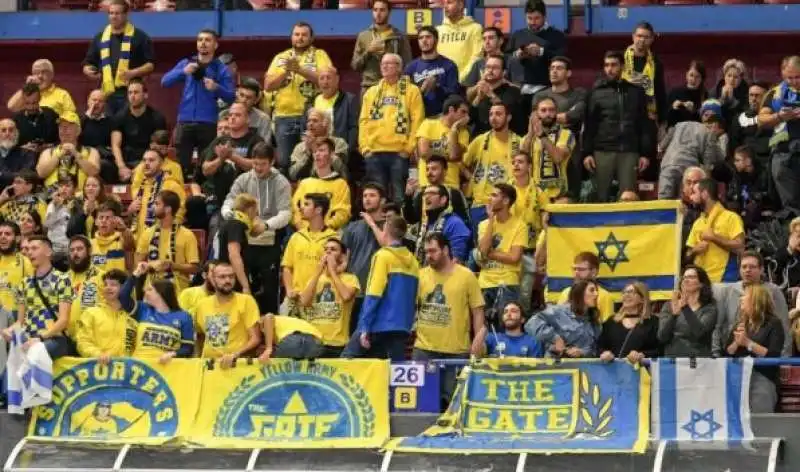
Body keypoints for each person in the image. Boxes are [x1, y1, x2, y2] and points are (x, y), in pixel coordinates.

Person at [222, 143, 292, 315]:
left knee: (269, 289)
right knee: (244, 286)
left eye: (263, 164)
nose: (258, 168)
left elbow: (286, 213)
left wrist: (266, 225)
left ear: (272, 162)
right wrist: (229, 214)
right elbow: (229, 201)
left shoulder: (281, 182)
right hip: (246, 242)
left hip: (270, 239)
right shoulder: (243, 179)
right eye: (255, 163)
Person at [415, 233, 484, 400]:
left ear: (445, 250)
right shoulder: (420, 275)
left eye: (433, 251)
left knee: (454, 403)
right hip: (424, 350)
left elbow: (478, 310)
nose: (429, 256)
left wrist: (478, 341)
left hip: (456, 352)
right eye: (426, 252)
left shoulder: (466, 276)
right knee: (423, 404)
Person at [342, 215, 419, 360]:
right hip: (402, 327)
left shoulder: (382, 256)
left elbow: (373, 294)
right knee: (391, 375)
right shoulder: (414, 262)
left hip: (378, 325)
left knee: (347, 360)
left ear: (385, 231)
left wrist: (364, 327)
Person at [161, 29, 235, 177]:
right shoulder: (186, 63)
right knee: (181, 167)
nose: (203, 43)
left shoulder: (221, 69)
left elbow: (231, 96)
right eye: (200, 40)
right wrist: (183, 72)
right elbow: (165, 82)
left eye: (207, 40)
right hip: (185, 121)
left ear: (215, 45)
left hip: (207, 123)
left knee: (204, 168)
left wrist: (216, 88)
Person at [582, 50, 652, 202]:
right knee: (600, 198)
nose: (610, 69)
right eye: (606, 65)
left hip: (629, 151)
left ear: (622, 66)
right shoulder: (595, 93)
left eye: (614, 65)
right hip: (602, 151)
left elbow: (644, 125)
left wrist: (645, 154)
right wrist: (587, 153)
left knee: (628, 198)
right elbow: (589, 125)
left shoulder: (637, 92)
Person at [265, 22, 332, 172]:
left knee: (312, 157)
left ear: (311, 38)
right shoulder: (280, 57)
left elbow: (326, 81)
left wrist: (300, 70)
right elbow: (268, 85)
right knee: (284, 161)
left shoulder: (319, 55)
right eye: (296, 34)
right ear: (291, 37)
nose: (300, 38)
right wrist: (285, 72)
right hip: (284, 116)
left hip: (312, 117)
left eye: (304, 35)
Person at [359, 53, 424, 204]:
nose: (384, 66)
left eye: (390, 63)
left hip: (399, 153)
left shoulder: (411, 90)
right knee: (377, 198)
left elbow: (417, 121)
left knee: (399, 197)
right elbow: (363, 121)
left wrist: (408, 148)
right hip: (374, 152)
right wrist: (365, 148)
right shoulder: (372, 92)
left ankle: (400, 225)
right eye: (383, 63)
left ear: (399, 67)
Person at [1, 235, 73, 360]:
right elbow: (20, 322)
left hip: (54, 339)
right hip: (30, 338)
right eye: (28, 249)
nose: (29, 253)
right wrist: (9, 330)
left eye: (34, 248)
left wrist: (40, 338)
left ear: (48, 252)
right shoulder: (24, 283)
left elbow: (63, 320)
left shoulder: (62, 279)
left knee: (35, 353)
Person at [712, 251, 791, 357]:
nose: (747, 270)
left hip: (764, 360)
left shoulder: (773, 291)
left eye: (752, 267)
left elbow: (784, 327)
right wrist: (716, 353)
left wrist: (784, 360)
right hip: (734, 357)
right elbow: (717, 326)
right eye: (744, 267)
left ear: (761, 269)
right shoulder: (727, 291)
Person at [82, 0, 154, 115]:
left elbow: (151, 65)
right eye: (111, 13)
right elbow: (88, 63)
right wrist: (88, 70)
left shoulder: (140, 37)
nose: (113, 17)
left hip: (130, 93)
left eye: (117, 13)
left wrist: (133, 73)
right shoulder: (99, 37)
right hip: (106, 93)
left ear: (126, 15)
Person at [724, 284, 785, 413]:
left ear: (755, 300)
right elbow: (727, 352)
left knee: (760, 417)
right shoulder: (740, 323)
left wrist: (748, 343)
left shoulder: (773, 323)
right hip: (739, 376)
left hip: (763, 376)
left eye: (745, 296)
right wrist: (736, 343)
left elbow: (774, 355)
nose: (741, 299)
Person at [298, 238, 360, 358]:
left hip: (337, 344)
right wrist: (318, 272)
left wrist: (332, 271)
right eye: (326, 249)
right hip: (315, 342)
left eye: (333, 249)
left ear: (342, 256)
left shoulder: (350, 278)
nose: (328, 252)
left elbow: (346, 296)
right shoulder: (314, 279)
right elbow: (304, 301)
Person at [476, 183, 528, 321]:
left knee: (504, 324)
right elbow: (482, 251)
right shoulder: (483, 225)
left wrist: (490, 254)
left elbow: (514, 257)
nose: (489, 199)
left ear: (505, 201)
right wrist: (491, 221)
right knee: (485, 329)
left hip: (508, 283)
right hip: (484, 283)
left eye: (494, 195)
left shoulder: (520, 225)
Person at [195, 262, 262, 367]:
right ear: (213, 279)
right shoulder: (201, 305)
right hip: (209, 366)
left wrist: (235, 355)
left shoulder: (246, 301)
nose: (227, 280)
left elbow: (255, 338)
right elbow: (200, 336)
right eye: (222, 277)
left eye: (231, 276)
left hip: (236, 365)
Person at [281, 194, 339, 314]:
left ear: (318, 210)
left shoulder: (333, 238)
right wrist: (289, 290)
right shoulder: (296, 237)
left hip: (320, 301)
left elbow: (336, 269)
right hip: (295, 299)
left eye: (307, 204)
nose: (301, 208)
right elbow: (287, 267)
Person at [134, 190, 199, 294]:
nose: (153, 207)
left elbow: (194, 268)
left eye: (157, 204)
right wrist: (149, 266)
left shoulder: (187, 235)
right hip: (152, 289)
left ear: (168, 209)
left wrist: (172, 266)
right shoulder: (147, 233)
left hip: (178, 291)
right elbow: (138, 263)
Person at [127, 262, 194, 363]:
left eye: (150, 290)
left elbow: (188, 348)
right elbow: (123, 297)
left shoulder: (184, 317)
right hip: (140, 365)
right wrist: (137, 273)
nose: (145, 291)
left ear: (161, 294)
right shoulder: (143, 309)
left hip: (166, 368)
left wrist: (173, 354)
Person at [685, 178, 745, 283]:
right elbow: (687, 254)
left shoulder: (731, 217)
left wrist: (714, 238)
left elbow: (740, 247)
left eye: (694, 193)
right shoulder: (698, 222)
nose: (691, 197)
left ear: (705, 194)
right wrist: (694, 250)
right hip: (701, 281)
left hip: (725, 278)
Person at [526, 280, 602, 358]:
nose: (596, 294)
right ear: (579, 293)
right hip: (557, 366)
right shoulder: (558, 311)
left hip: (583, 367)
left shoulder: (594, 320)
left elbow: (595, 349)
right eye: (592, 290)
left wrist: (582, 352)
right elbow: (531, 324)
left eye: (596, 291)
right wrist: (555, 338)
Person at [351, 0, 413, 94]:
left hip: (393, 87)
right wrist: (369, 51)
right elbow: (355, 66)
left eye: (382, 10)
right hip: (369, 87)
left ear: (389, 12)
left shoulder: (399, 36)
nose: (378, 14)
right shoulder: (363, 36)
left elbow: (407, 65)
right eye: (375, 10)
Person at [75, 269, 138, 361]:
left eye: (113, 285)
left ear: (125, 289)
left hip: (126, 372)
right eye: (105, 284)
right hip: (97, 369)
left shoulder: (133, 318)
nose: (108, 288)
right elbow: (82, 342)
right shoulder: (91, 313)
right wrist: (98, 354)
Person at [658, 265, 717, 357]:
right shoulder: (669, 306)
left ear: (701, 284)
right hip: (673, 363)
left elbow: (700, 334)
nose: (686, 280)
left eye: (691, 277)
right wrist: (673, 315)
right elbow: (662, 337)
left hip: (698, 362)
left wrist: (685, 307)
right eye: (684, 277)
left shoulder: (709, 308)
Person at [214, 193, 266, 293]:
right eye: (256, 211)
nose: (256, 214)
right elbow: (234, 255)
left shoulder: (233, 223)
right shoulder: (236, 225)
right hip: (231, 279)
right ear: (250, 209)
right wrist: (245, 285)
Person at [404, 26, 460, 118]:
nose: (424, 40)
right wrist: (421, 90)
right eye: (421, 38)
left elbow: (454, 94)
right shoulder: (410, 67)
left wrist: (437, 87)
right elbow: (405, 96)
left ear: (436, 40)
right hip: (418, 116)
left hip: (442, 116)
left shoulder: (449, 65)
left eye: (428, 37)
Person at [598, 282, 659, 364]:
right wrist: (605, 353)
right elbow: (600, 346)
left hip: (642, 373)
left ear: (642, 298)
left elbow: (659, 350)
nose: (626, 295)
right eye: (624, 292)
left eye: (631, 292)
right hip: (613, 373)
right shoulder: (611, 322)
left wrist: (642, 355)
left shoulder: (653, 322)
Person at [436, 0, 483, 84]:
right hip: (440, 83)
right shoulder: (438, 30)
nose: (445, 6)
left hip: (465, 83)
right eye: (444, 3)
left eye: (449, 2)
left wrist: (459, 78)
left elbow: (476, 57)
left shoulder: (475, 28)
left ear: (461, 5)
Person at [476, 300, 543, 358]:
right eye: (505, 312)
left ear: (522, 319)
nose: (508, 314)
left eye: (513, 311)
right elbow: (475, 354)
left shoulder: (533, 341)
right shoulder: (492, 338)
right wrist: (486, 324)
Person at [259, 313, 324, 362]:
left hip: (292, 340)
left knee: (279, 371)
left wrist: (268, 349)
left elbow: (268, 317)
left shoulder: (260, 322)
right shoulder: (288, 321)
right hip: (316, 343)